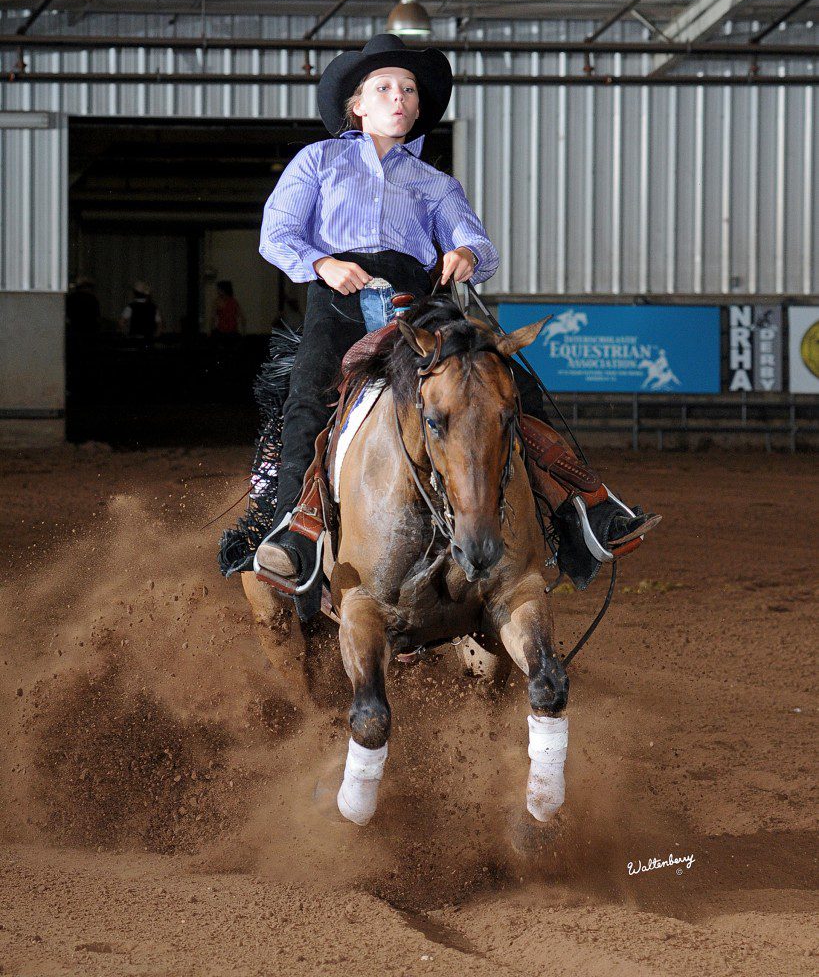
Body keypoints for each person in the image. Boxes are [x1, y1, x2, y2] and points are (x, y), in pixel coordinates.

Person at [239, 34, 657, 592]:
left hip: (423, 303)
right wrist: (321, 263)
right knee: (309, 395)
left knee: (511, 388)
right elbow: (277, 233)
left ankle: (588, 509)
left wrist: (466, 253)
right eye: (383, 88)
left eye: (408, 90)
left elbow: (478, 243)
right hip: (339, 300)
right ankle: (297, 530)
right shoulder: (319, 160)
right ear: (357, 105)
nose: (399, 98)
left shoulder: (436, 182)